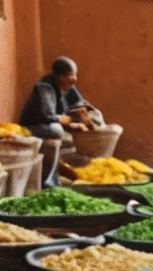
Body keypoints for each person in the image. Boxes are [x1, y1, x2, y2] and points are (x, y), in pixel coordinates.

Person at [18, 56, 99, 186]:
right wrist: (72, 122)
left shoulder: (68, 86)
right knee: (57, 129)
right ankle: (49, 182)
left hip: (54, 123)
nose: (75, 79)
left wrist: (86, 114)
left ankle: (59, 175)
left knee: (92, 117)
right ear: (61, 77)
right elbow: (48, 117)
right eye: (71, 75)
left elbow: (79, 105)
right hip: (34, 126)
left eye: (75, 75)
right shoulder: (45, 87)